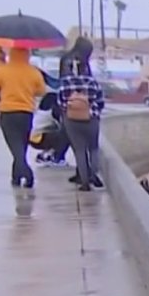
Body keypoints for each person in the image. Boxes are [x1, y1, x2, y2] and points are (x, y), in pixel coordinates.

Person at [0, 47, 46, 188]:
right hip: (26, 113)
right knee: (21, 147)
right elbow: (41, 91)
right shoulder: (33, 72)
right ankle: (16, 177)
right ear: (27, 54)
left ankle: (27, 174)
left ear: (11, 54)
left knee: (16, 147)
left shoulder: (3, 71)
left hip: (8, 113)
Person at [57, 48, 105, 192]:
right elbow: (101, 101)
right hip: (91, 120)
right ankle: (93, 174)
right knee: (94, 149)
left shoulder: (65, 83)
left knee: (79, 150)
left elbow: (60, 102)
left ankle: (84, 183)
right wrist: (93, 111)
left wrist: (69, 111)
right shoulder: (92, 82)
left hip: (72, 121)